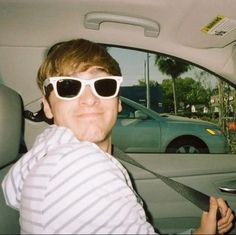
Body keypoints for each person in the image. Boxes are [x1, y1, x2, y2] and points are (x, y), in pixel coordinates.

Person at [2, 39, 234, 234]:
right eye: (68, 86)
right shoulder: (82, 168)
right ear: (48, 107)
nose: (90, 98)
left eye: (103, 85)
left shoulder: (44, 153)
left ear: (118, 101)